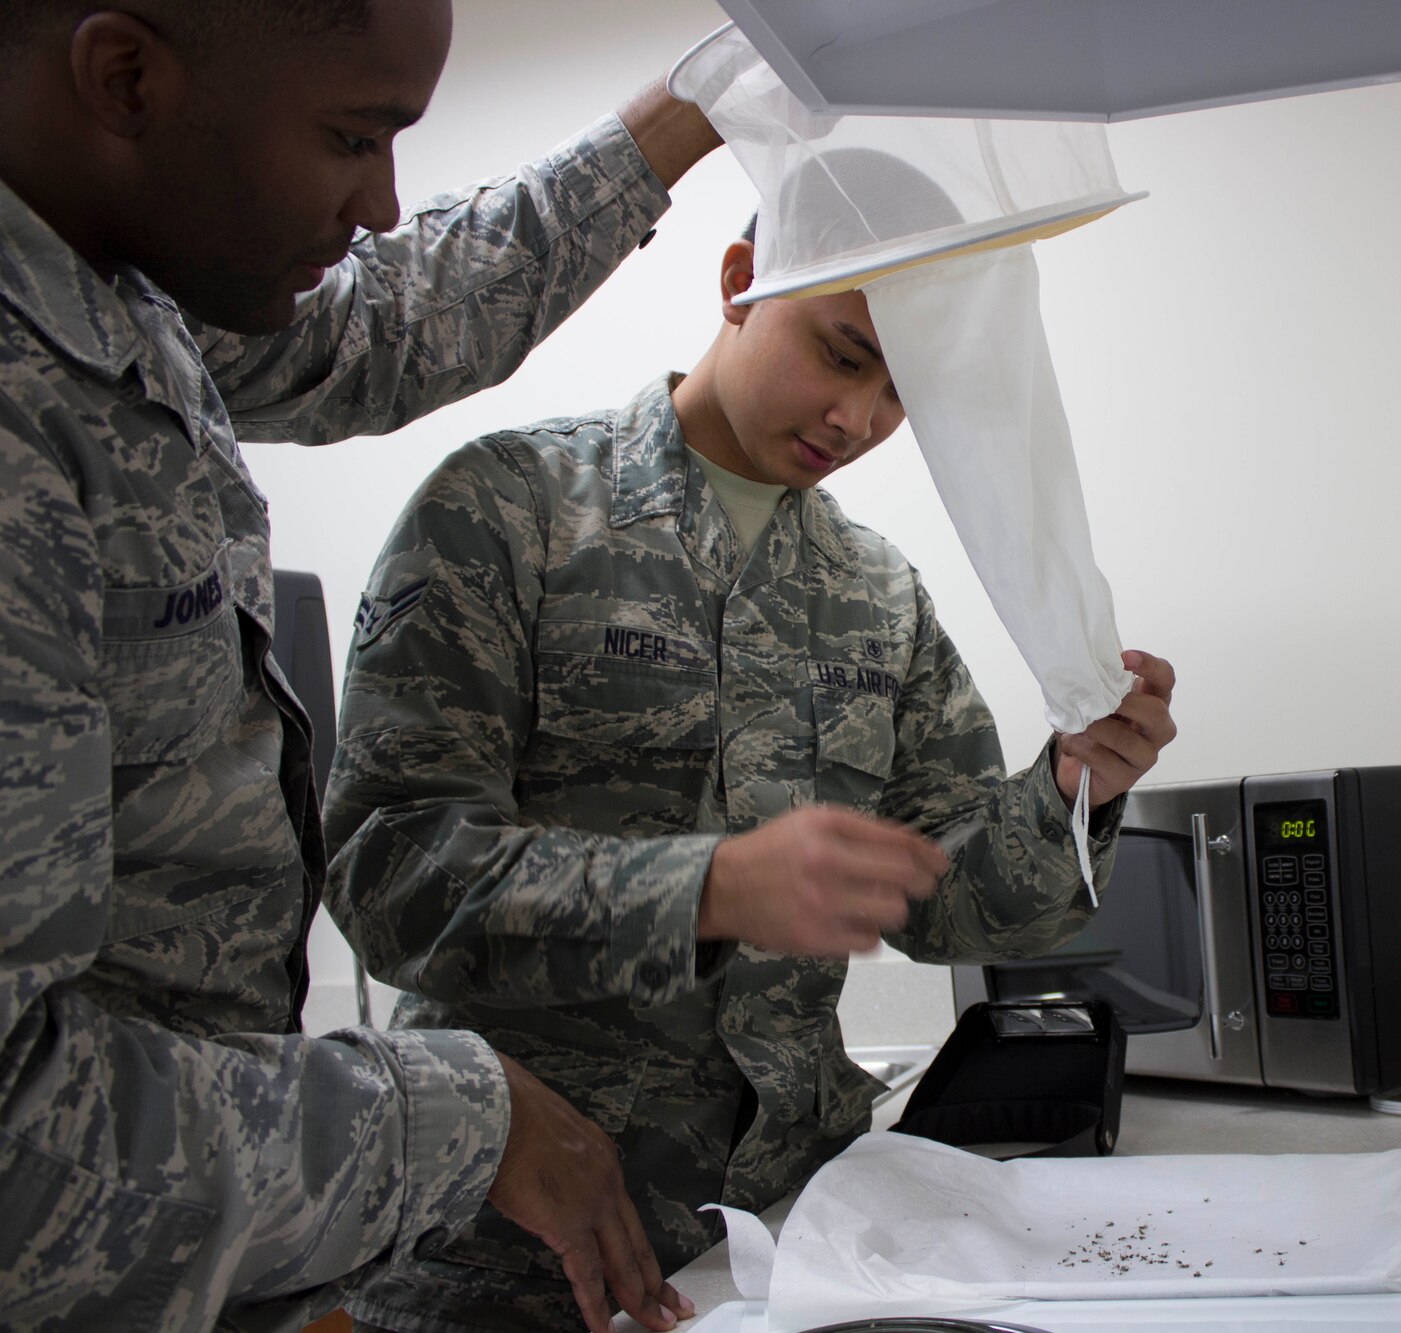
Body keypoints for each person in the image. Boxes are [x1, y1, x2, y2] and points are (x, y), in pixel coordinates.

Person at [0, 2, 725, 1329]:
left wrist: (699, 103)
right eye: (352, 135)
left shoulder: (115, 289)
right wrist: (451, 1122)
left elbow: (391, 321)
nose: (385, 202)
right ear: (124, 75)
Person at [318, 216, 1179, 1332]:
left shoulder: (877, 590)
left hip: (792, 1243)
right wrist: (704, 889)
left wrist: (1075, 786)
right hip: (516, 1255)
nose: (858, 421)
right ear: (739, 281)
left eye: (901, 393)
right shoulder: (507, 509)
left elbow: (946, 899)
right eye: (841, 355)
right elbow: (391, 870)